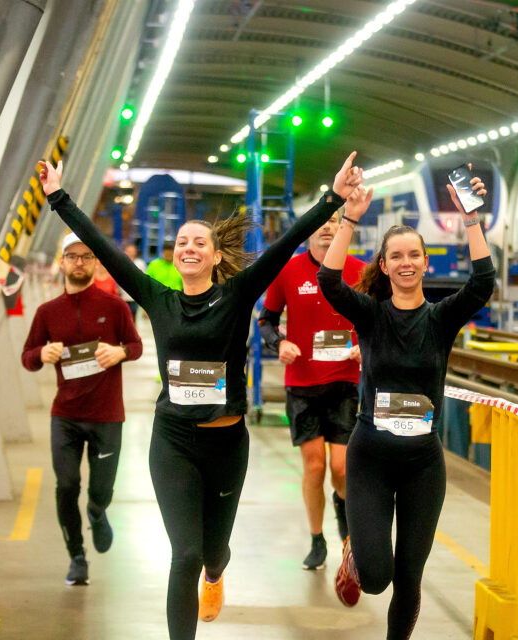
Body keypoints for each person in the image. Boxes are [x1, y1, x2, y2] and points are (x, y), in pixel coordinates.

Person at [40, 152, 362, 640]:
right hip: (172, 442)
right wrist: (58, 199)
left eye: (199, 242)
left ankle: (217, 574)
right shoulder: (157, 298)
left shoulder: (237, 295)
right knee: (184, 554)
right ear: (175, 254)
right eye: (181, 242)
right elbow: (105, 250)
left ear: (214, 256)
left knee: (213, 554)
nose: (188, 247)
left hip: (226, 444)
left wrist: (333, 199)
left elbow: (286, 242)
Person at [320, 167, 494, 639]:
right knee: (377, 578)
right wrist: (349, 220)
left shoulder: (440, 320)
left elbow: (482, 282)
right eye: (395, 256)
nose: (406, 262)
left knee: (409, 578)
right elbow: (330, 282)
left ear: (425, 262)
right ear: (384, 265)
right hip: (371, 458)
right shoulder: (371, 317)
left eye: (414, 254)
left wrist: (471, 218)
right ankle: (356, 553)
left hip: (423, 463)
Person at [21, 232, 143, 586]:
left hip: (107, 416)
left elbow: (135, 345)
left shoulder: (114, 306)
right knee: (66, 485)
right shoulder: (48, 312)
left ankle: (97, 510)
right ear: (62, 263)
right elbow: (28, 357)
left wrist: (119, 352)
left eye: (86, 257)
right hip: (66, 416)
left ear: (95, 263)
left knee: (100, 491)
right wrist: (40, 355)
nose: (79, 262)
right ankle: (76, 556)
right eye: (72, 257)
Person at [257, 209, 365, 570]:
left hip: (343, 380)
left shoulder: (359, 271)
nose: (326, 228)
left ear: (342, 227)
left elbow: (378, 318)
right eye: (319, 224)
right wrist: (278, 344)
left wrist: (367, 345)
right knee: (315, 466)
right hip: (302, 384)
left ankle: (347, 531)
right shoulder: (289, 271)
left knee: (342, 467)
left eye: (333, 222)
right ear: (307, 233)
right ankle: (317, 540)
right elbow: (267, 320)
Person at [120, 242, 148, 319]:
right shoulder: (120, 263)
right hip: (122, 297)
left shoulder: (140, 264)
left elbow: (144, 281)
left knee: (132, 319)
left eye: (132, 251)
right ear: (125, 252)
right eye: (128, 251)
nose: (130, 253)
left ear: (135, 252)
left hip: (134, 298)